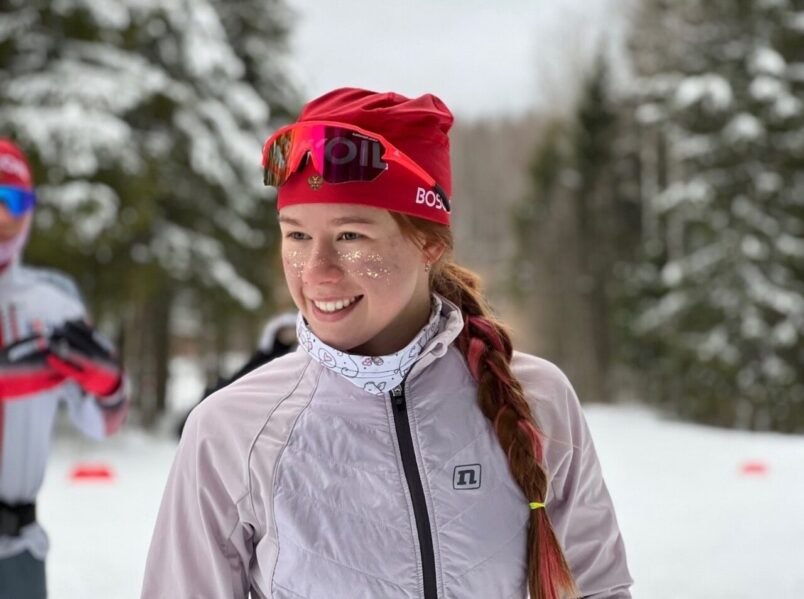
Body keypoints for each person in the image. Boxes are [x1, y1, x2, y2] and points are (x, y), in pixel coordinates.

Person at [142, 88, 633, 598]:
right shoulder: (230, 430)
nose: (316, 271)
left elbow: (598, 588)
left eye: (351, 237)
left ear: (430, 244)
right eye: (297, 236)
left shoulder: (538, 399)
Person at [0, 138, 129, 599]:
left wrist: (109, 386)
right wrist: (20, 376)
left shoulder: (54, 307)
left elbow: (100, 423)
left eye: (12, 200)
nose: (0, 215)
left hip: (17, 548)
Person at [175, 311, 298, 438]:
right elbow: (245, 372)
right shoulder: (264, 353)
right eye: (285, 332)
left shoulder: (294, 357)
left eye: (292, 331)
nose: (288, 335)